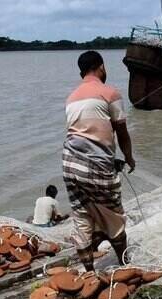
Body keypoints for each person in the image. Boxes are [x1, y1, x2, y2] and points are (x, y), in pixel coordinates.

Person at [63, 50, 136, 271]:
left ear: (81, 72)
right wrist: (129, 158)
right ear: (101, 67)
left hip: (69, 164)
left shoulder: (71, 98)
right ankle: (125, 264)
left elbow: (85, 135)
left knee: (82, 214)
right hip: (96, 166)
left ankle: (89, 273)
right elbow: (121, 131)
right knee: (113, 213)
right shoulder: (109, 93)